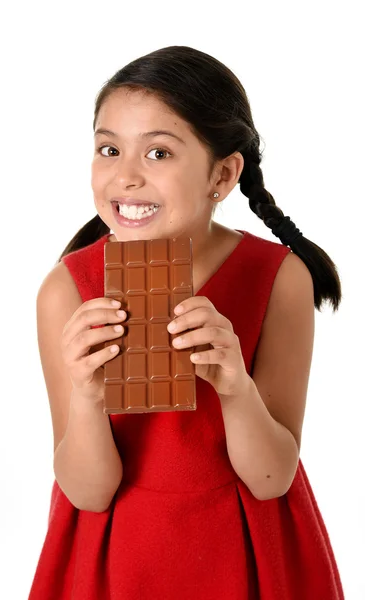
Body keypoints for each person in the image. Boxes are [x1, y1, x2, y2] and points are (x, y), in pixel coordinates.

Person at [28, 46, 345, 599]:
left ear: (221, 174)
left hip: (248, 554)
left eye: (158, 153)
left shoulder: (280, 279)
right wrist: (86, 396)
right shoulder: (65, 291)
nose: (125, 177)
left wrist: (235, 386)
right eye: (109, 148)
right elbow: (88, 493)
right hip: (117, 557)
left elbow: (272, 478)